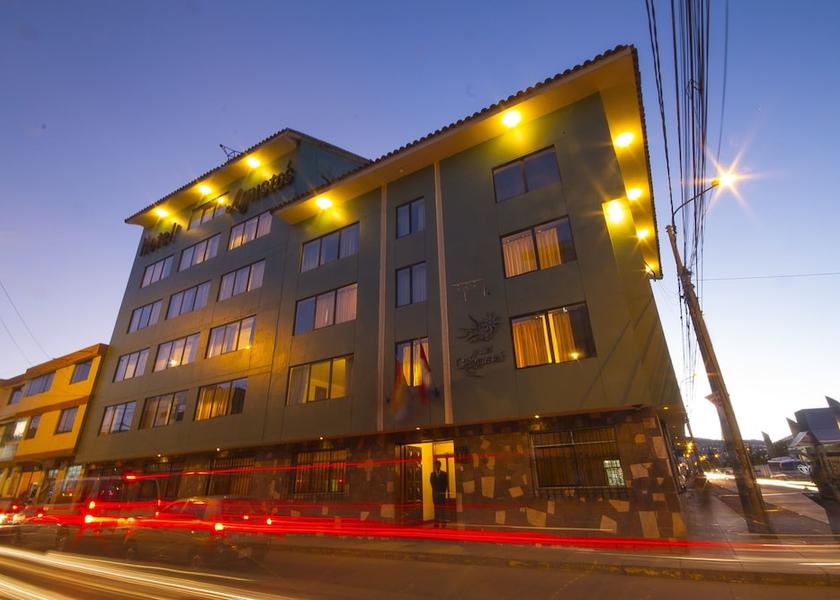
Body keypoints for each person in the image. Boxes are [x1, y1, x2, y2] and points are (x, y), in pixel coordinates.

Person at [429, 459, 448, 527]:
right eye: (436, 465)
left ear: (440, 465)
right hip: (435, 495)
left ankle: (443, 522)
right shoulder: (432, 474)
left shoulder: (444, 474)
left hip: (441, 495)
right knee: (436, 509)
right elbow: (432, 484)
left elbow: (445, 484)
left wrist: (443, 492)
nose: (437, 466)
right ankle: (436, 522)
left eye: (438, 465)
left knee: (442, 509)